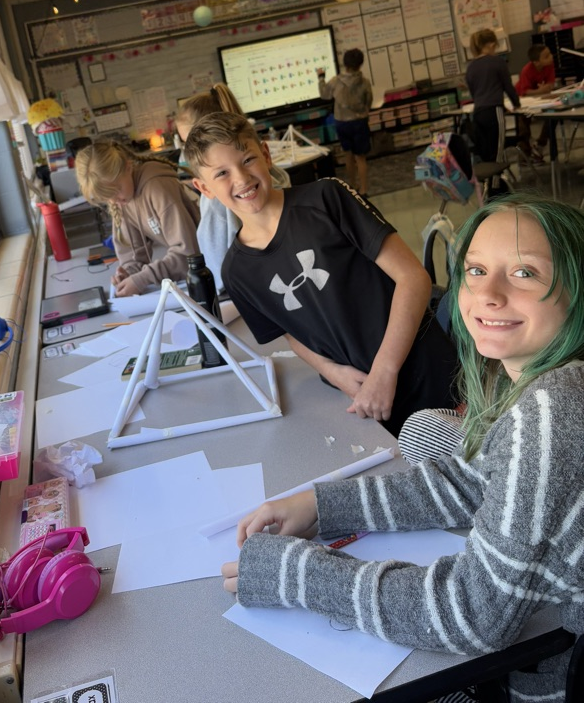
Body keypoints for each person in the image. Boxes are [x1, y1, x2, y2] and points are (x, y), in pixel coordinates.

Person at [221, 194, 584, 703]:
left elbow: (472, 617)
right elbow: (470, 481)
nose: (489, 294)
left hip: (540, 681)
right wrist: (322, 505)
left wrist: (296, 574)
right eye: (476, 270)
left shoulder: (556, 409)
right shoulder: (526, 377)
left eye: (525, 273)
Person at [183, 112, 457, 437]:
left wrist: (385, 371)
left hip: (429, 376)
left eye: (247, 160)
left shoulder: (327, 199)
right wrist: (334, 373)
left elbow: (414, 278)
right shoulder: (237, 271)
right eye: (222, 173)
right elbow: (291, 333)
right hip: (362, 397)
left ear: (266, 155)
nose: (241, 179)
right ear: (204, 188)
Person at [175, 83, 290, 292]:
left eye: (190, 140)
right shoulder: (275, 179)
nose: (189, 151)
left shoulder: (217, 202)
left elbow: (217, 272)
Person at [75, 139, 199, 297]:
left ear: (128, 167)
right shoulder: (123, 198)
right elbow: (133, 254)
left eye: (116, 190)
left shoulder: (158, 188)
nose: (113, 201)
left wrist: (144, 278)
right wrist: (128, 273)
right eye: (107, 197)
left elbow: (189, 255)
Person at [465, 28, 520, 196]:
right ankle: (496, 189)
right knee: (497, 149)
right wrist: (516, 104)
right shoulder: (497, 62)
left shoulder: (471, 67)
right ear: (490, 44)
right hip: (494, 111)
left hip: (479, 112)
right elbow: (507, 87)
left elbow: (475, 92)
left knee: (486, 151)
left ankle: (490, 184)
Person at [317, 49, 373, 197]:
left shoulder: (336, 81)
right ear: (360, 64)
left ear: (344, 63)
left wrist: (321, 78)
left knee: (348, 154)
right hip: (360, 121)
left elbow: (324, 94)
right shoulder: (364, 82)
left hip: (342, 122)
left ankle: (352, 186)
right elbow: (369, 101)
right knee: (360, 157)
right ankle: (364, 189)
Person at [515, 43, 556, 161]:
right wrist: (540, 90)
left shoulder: (549, 66)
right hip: (523, 99)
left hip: (539, 98)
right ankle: (524, 153)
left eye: (550, 54)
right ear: (536, 62)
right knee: (523, 121)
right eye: (546, 56)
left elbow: (550, 83)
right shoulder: (526, 70)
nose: (551, 57)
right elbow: (525, 91)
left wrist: (545, 89)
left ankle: (540, 144)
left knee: (552, 116)